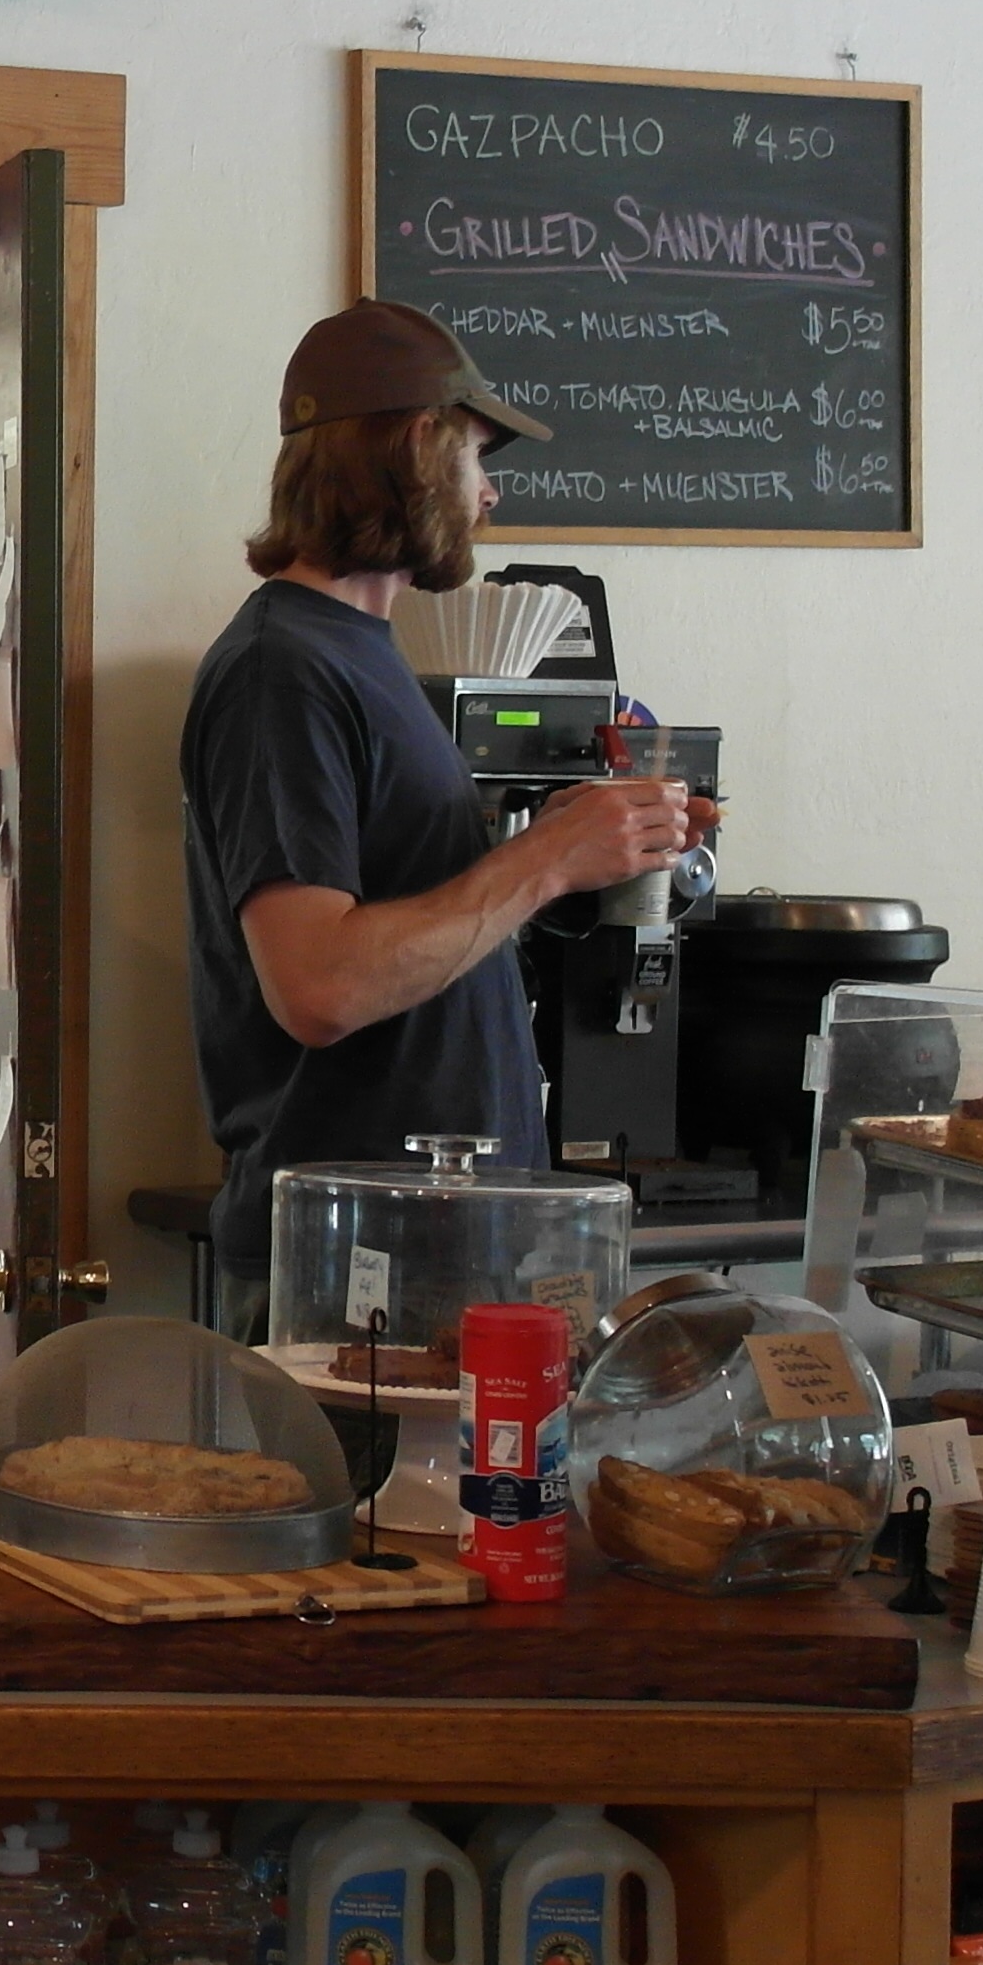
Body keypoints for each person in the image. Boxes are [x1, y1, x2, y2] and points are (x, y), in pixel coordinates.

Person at [181, 302, 694, 1307]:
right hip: (360, 1266)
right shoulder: (281, 671)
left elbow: (424, 917)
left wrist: (590, 848)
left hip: (449, 1239)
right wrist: (546, 858)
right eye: (474, 457)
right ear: (418, 444)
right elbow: (320, 986)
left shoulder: (363, 655)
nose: (489, 493)